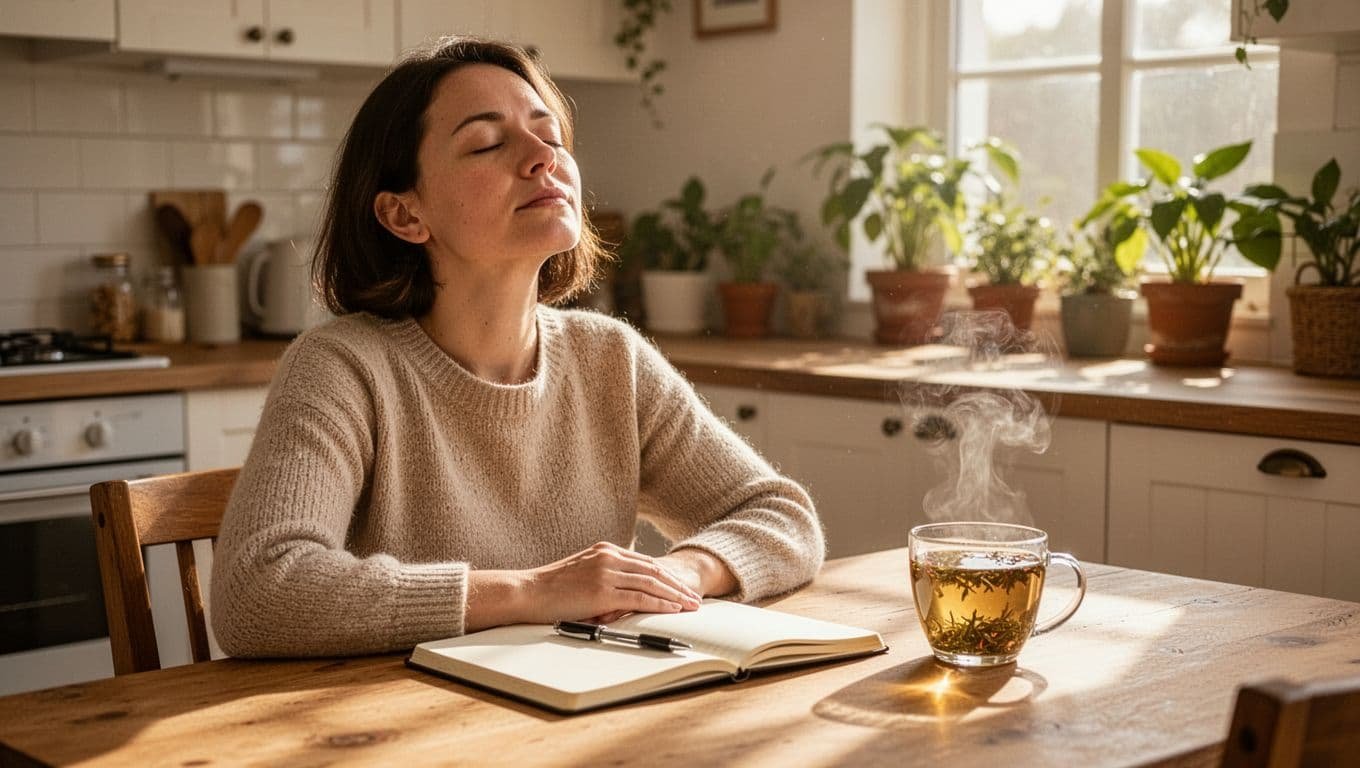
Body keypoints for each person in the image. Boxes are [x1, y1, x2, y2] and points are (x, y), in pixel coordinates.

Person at [210, 37, 824, 657]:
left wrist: (676, 574)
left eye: (551, 136)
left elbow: (782, 516)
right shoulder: (343, 368)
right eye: (487, 143)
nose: (542, 159)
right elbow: (258, 593)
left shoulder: (611, 358)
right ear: (404, 215)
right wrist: (534, 590)